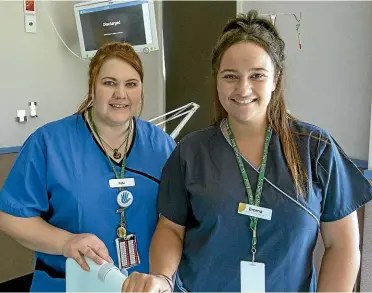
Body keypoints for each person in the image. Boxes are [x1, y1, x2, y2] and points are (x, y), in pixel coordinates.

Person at [121, 10, 372, 292]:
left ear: (276, 79)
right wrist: (163, 277)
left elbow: (343, 246)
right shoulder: (190, 152)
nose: (243, 88)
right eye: (230, 76)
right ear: (216, 80)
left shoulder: (315, 149)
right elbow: (171, 228)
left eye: (257, 75)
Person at [0, 42, 175, 292]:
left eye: (131, 84)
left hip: (139, 285)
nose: (121, 94)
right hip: (69, 283)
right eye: (109, 83)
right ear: (92, 87)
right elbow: (10, 215)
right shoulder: (49, 143)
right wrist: (65, 241)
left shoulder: (162, 147)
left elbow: (178, 221)